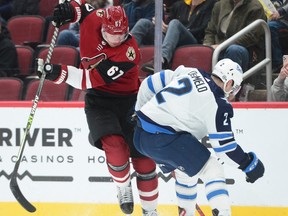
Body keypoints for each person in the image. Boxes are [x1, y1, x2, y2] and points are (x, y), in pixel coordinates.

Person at [39, 2, 159, 216]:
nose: (116, 39)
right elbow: (81, 7)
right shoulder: (96, 16)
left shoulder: (128, 53)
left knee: (145, 160)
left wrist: (57, 73)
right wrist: (68, 10)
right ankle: (123, 188)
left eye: (121, 35)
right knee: (115, 148)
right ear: (103, 26)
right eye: (112, 34)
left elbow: (87, 80)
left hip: (130, 101)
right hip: (100, 102)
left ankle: (151, 211)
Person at [133, 59, 265, 215]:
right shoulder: (218, 104)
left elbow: (150, 83)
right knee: (212, 169)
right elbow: (225, 149)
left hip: (140, 135)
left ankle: (186, 212)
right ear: (228, 83)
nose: (233, 92)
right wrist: (249, 164)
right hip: (163, 139)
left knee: (187, 172)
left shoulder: (191, 71)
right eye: (235, 87)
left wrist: (139, 112)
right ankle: (223, 212)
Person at [136, 0, 217, 74]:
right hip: (170, 38)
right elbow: (168, 24)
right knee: (144, 23)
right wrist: (163, 26)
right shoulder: (178, 5)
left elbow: (204, 29)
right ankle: (126, 55)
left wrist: (178, 30)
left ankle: (160, 61)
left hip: (193, 40)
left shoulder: (211, 4)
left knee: (175, 23)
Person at [203, 0, 267, 72]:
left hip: (244, 48)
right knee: (202, 50)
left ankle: (231, 82)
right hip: (217, 46)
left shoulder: (255, 7)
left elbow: (251, 36)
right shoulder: (220, 4)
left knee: (234, 50)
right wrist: (207, 46)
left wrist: (222, 46)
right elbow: (210, 31)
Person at [268, 0, 288, 73]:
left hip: (284, 20)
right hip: (275, 19)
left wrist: (280, 11)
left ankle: (278, 63)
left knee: (270, 27)